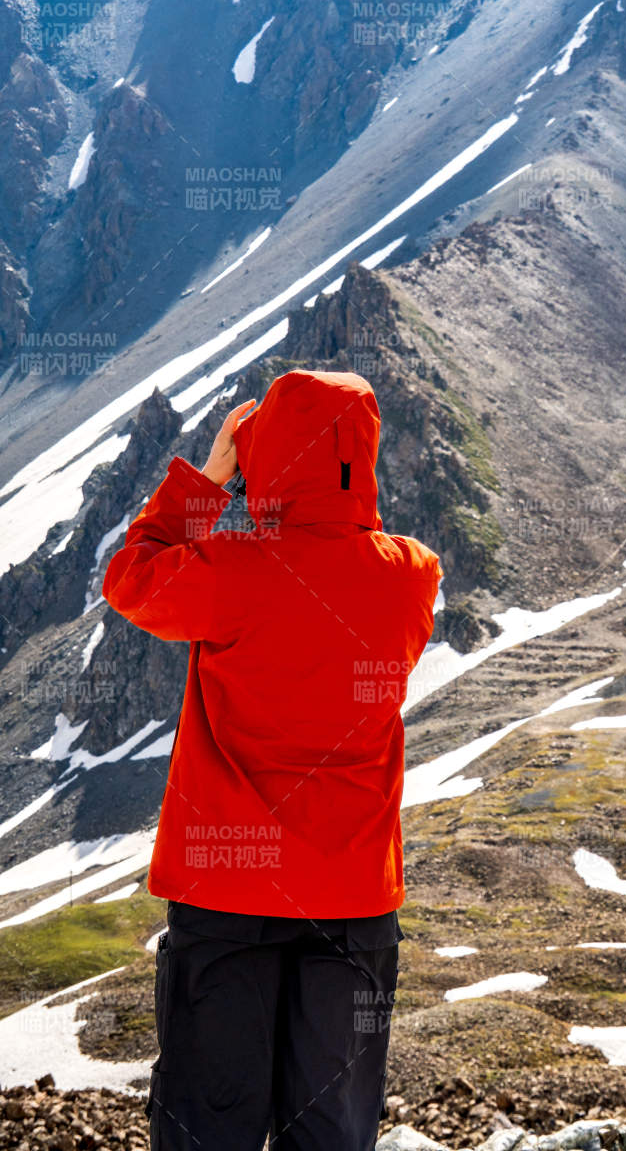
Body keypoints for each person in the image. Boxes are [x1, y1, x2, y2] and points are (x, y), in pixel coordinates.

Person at [103, 368, 441, 1150]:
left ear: (266, 452)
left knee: (208, 1120)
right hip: (353, 901)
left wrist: (207, 480)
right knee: (331, 1125)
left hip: (227, 894)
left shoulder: (231, 569)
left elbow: (131, 580)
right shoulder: (410, 575)